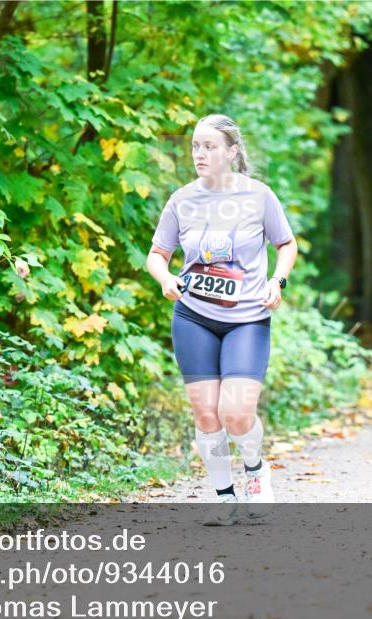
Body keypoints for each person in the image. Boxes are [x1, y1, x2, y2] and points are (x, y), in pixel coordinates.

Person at [145, 114, 298, 526]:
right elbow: (157, 254)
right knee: (206, 413)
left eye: (210, 146)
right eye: (195, 146)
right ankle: (224, 497)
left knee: (236, 411)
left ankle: (255, 470)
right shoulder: (181, 200)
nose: (200, 154)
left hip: (247, 317)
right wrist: (166, 279)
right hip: (193, 317)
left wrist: (277, 281)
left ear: (232, 152)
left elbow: (286, 244)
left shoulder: (259, 196)